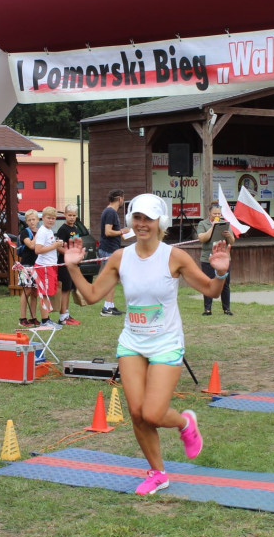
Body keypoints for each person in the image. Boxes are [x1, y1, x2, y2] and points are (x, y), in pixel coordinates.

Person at [64, 193, 231, 495]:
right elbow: (90, 296)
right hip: (132, 343)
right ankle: (158, 473)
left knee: (153, 413)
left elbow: (211, 290)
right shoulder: (120, 257)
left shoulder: (174, 257)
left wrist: (220, 272)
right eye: (137, 218)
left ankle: (184, 423)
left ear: (159, 223)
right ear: (130, 221)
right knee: (137, 412)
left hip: (166, 343)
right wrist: (73, 267)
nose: (142, 224)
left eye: (148, 219)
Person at [197, 202, 236, 316]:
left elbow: (232, 241)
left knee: (225, 283)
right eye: (215, 213)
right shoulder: (203, 224)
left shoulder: (225, 224)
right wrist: (213, 226)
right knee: (208, 282)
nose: (217, 215)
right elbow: (202, 238)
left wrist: (228, 235)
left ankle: (226, 309)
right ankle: (208, 309)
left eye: (219, 213)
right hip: (208, 258)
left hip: (223, 258)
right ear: (209, 213)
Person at [97, 189, 132, 316]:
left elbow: (114, 231)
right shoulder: (110, 212)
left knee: (114, 277)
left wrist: (123, 233)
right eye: (123, 198)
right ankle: (106, 308)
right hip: (108, 249)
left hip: (111, 248)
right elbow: (108, 231)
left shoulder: (110, 211)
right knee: (111, 278)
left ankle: (110, 305)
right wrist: (122, 231)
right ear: (120, 199)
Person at [33, 206, 63, 329]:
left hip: (50, 266)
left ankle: (47, 319)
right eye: (48, 218)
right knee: (44, 294)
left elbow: (49, 246)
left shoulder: (49, 231)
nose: (51, 220)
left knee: (48, 293)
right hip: (43, 267)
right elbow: (38, 250)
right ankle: (45, 321)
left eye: (53, 218)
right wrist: (54, 246)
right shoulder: (42, 231)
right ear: (43, 218)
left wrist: (57, 244)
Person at [54, 204, 83, 326]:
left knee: (70, 288)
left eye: (74, 215)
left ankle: (67, 313)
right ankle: (62, 317)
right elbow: (58, 247)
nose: (71, 217)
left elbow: (76, 244)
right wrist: (69, 253)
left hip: (73, 264)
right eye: (69, 215)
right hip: (64, 263)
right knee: (65, 290)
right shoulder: (62, 229)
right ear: (65, 215)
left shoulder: (75, 229)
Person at [17, 209, 40, 328]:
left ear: (38, 220)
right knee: (27, 291)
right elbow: (31, 245)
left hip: (38, 264)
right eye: (29, 220)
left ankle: (33, 317)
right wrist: (37, 235)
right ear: (26, 221)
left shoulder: (41, 231)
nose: (32, 222)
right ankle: (22, 317)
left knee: (35, 292)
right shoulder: (24, 232)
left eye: (34, 219)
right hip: (26, 265)